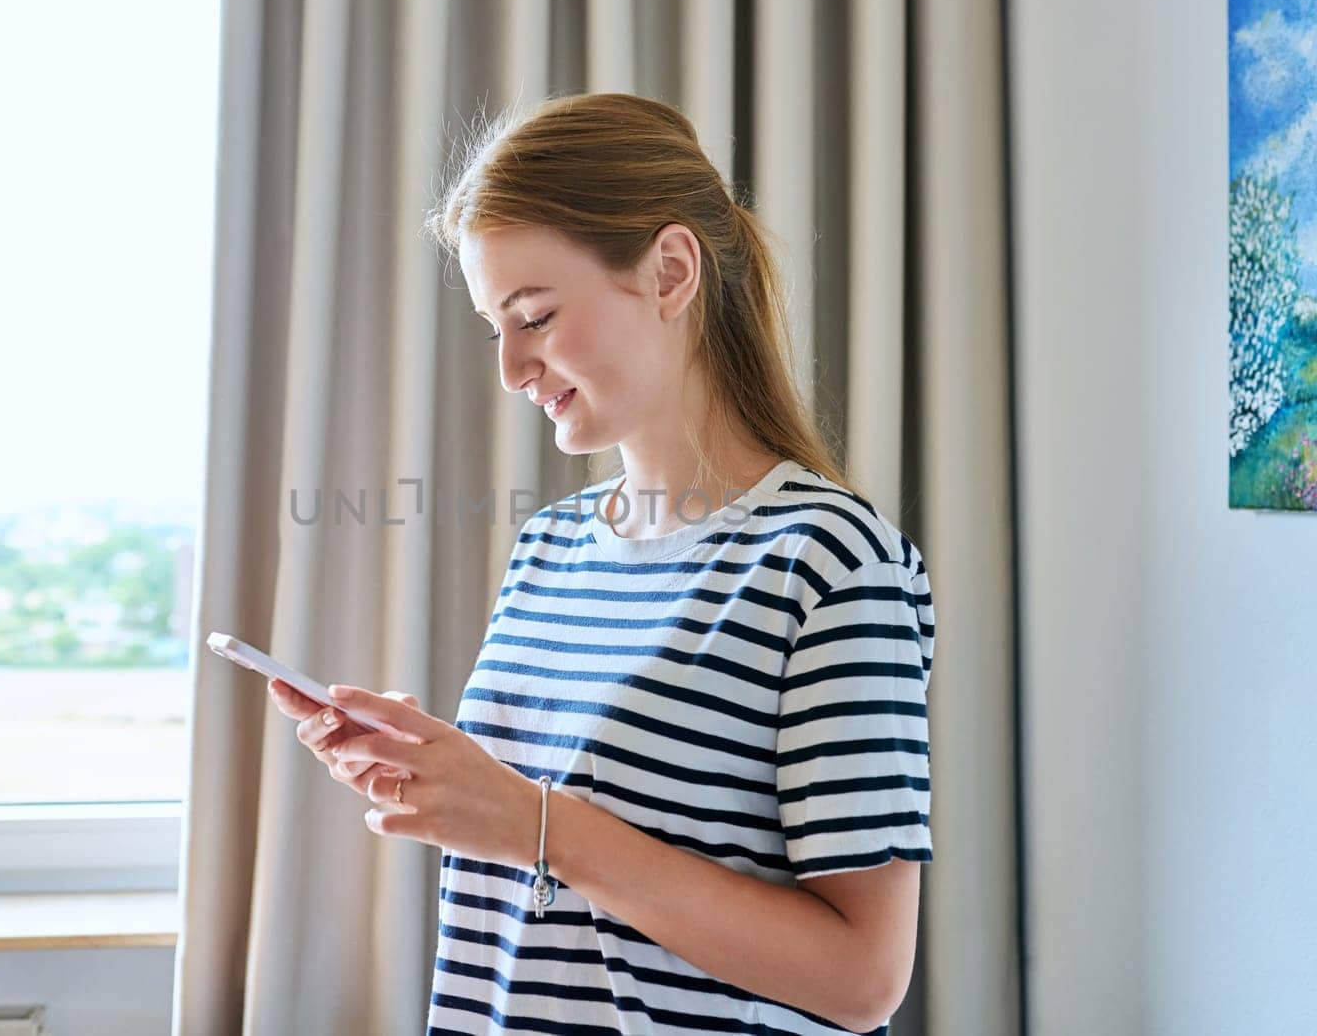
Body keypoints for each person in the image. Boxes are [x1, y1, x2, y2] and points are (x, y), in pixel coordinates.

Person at [267, 92, 935, 1036]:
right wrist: (442, 772)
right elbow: (545, 865)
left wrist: (532, 822)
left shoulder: (827, 564)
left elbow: (863, 977)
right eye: (494, 325)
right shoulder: (551, 546)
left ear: (669, 271)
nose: (509, 367)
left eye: (533, 315)